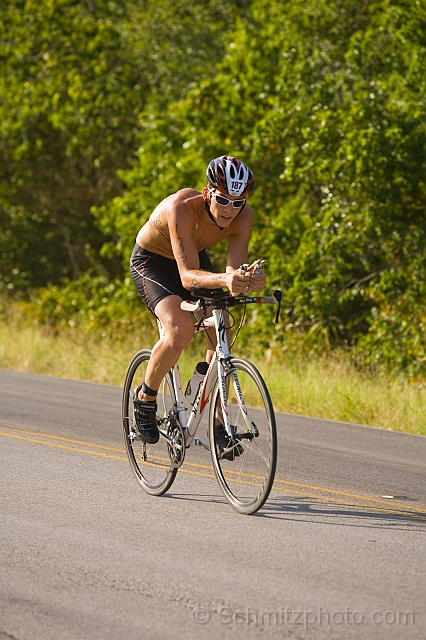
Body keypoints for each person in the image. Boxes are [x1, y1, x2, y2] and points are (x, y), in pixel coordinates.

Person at [130, 155, 266, 445]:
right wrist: (227, 280)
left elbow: (233, 275)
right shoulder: (182, 208)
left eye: (238, 202)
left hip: (192, 256)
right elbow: (188, 278)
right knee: (181, 330)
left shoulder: (244, 217)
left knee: (222, 329)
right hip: (153, 262)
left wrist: (248, 280)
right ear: (207, 192)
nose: (230, 210)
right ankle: (146, 396)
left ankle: (219, 423)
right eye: (223, 200)